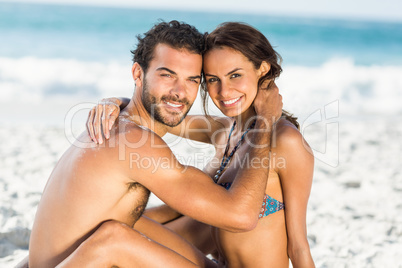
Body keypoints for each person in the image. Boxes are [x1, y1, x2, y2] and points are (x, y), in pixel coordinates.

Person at [24, 20, 282, 268]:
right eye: (167, 75)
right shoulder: (135, 142)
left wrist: (119, 100)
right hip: (84, 260)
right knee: (116, 235)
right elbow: (241, 217)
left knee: (138, 224)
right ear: (138, 73)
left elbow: (210, 131)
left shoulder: (119, 124)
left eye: (192, 79)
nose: (180, 91)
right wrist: (266, 125)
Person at [89, 22, 315, 267]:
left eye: (235, 75)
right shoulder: (224, 131)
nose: (224, 91)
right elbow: (156, 112)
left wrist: (267, 122)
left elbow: (299, 245)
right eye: (212, 79)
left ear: (262, 69)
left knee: (116, 235)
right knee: (111, 220)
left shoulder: (286, 141)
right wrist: (114, 101)